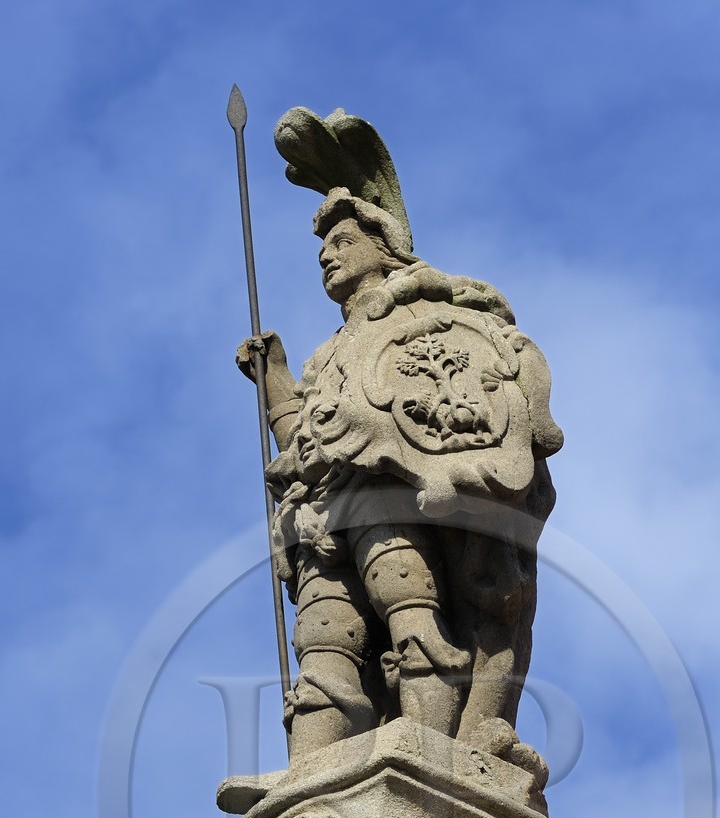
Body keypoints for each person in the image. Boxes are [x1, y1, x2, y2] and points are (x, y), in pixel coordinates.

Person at [238, 182, 563, 767]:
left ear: (383, 246)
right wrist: (276, 383)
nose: (328, 256)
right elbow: (305, 442)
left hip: (386, 499)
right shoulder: (330, 353)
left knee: (411, 615)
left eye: (342, 241)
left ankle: (424, 748)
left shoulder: (429, 318)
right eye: (322, 251)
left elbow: (460, 402)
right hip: (318, 515)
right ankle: (308, 771)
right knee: (324, 644)